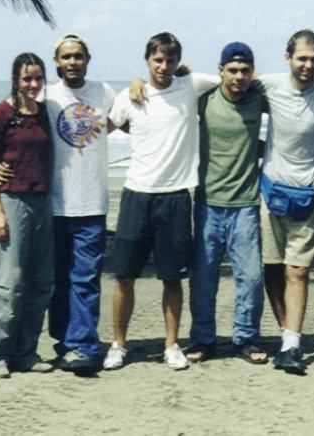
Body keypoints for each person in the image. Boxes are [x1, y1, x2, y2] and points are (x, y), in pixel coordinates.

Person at [0, 34, 117, 373]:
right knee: (54, 281)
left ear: (88, 59)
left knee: (85, 278)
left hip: (92, 205)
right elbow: (10, 127)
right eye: (66, 57)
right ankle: (64, 341)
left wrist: (142, 81)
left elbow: (135, 109)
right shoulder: (45, 95)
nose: (72, 62)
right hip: (51, 205)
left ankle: (82, 346)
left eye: (78, 56)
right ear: (56, 61)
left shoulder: (105, 93)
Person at [103, 32, 219, 372]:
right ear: (147, 60)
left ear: (178, 61)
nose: (164, 66)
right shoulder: (129, 95)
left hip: (176, 196)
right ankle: (119, 344)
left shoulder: (190, 84)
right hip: (136, 194)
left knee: (172, 277)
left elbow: (235, 76)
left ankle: (171, 345)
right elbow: (100, 131)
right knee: (124, 276)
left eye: (170, 60)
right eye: (157, 60)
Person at [255, 29, 314, 375]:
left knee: (299, 270)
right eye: (302, 58)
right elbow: (225, 82)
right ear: (287, 58)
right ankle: (287, 336)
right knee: (272, 267)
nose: (308, 65)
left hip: (309, 194)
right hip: (270, 193)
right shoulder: (269, 85)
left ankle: (292, 345)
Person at [185, 42, 268, 365]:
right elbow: (170, 88)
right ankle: (203, 340)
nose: (239, 76)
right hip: (208, 202)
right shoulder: (204, 99)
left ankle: (246, 338)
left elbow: (293, 95)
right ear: (220, 70)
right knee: (204, 277)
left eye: (245, 70)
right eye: (232, 70)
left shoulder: (259, 99)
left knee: (251, 277)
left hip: (246, 204)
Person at [0, 52, 55, 379]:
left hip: (42, 203)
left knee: (41, 283)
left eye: (38, 78)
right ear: (15, 79)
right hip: (11, 202)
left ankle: (26, 353)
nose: (33, 84)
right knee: (9, 284)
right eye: (27, 78)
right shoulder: (1, 113)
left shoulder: (44, 113)